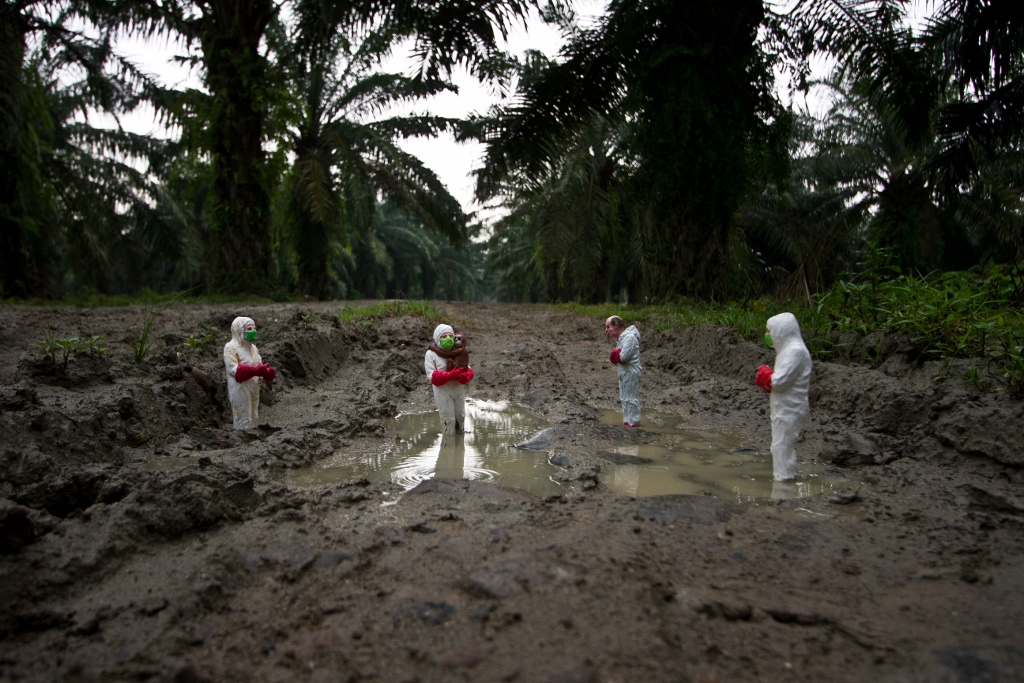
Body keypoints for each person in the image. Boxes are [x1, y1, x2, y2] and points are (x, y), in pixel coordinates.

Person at [755, 312, 812, 481]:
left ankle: (784, 482)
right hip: (784, 407)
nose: (768, 335)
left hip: (790, 408)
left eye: (769, 331)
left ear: (780, 331)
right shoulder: (787, 350)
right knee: (780, 445)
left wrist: (766, 375)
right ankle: (783, 477)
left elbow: (780, 381)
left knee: (782, 446)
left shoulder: (795, 352)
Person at [223, 316, 276, 430]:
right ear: (240, 331)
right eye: (249, 328)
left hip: (253, 386)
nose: (253, 331)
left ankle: (253, 436)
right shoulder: (231, 347)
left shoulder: (253, 349)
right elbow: (234, 370)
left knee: (254, 415)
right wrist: (255, 370)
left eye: (254, 328)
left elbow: (258, 365)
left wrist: (265, 372)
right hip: (240, 388)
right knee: (243, 415)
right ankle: (242, 438)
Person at [424, 324, 474, 434]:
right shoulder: (431, 354)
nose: (448, 338)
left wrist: (465, 375)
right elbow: (431, 376)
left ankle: (460, 447)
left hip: (458, 390)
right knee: (448, 420)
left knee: (460, 417)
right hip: (443, 392)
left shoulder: (459, 350)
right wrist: (449, 376)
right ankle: (448, 444)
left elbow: (467, 368)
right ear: (438, 338)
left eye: (450, 336)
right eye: (444, 336)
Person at [605, 315, 642, 427]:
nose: (606, 330)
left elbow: (623, 357)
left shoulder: (630, 338)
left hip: (630, 373)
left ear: (616, 326)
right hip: (624, 373)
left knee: (631, 398)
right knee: (624, 398)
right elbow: (619, 357)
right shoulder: (622, 339)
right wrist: (617, 354)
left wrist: (615, 354)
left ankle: (634, 423)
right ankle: (627, 421)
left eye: (608, 327)